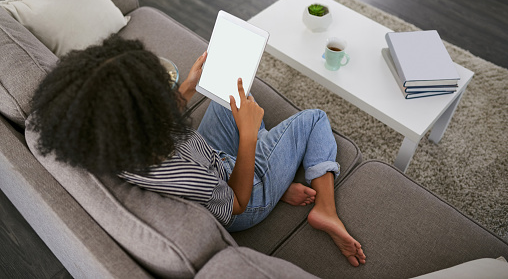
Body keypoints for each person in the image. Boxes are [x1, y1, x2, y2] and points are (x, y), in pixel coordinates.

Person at [28, 35, 366, 267]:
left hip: (211, 160)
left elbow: (162, 128)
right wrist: (248, 137)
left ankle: (276, 175)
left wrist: (188, 88)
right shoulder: (178, 169)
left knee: (229, 95)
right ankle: (323, 208)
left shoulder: (112, 143)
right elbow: (235, 203)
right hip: (238, 197)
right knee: (313, 120)